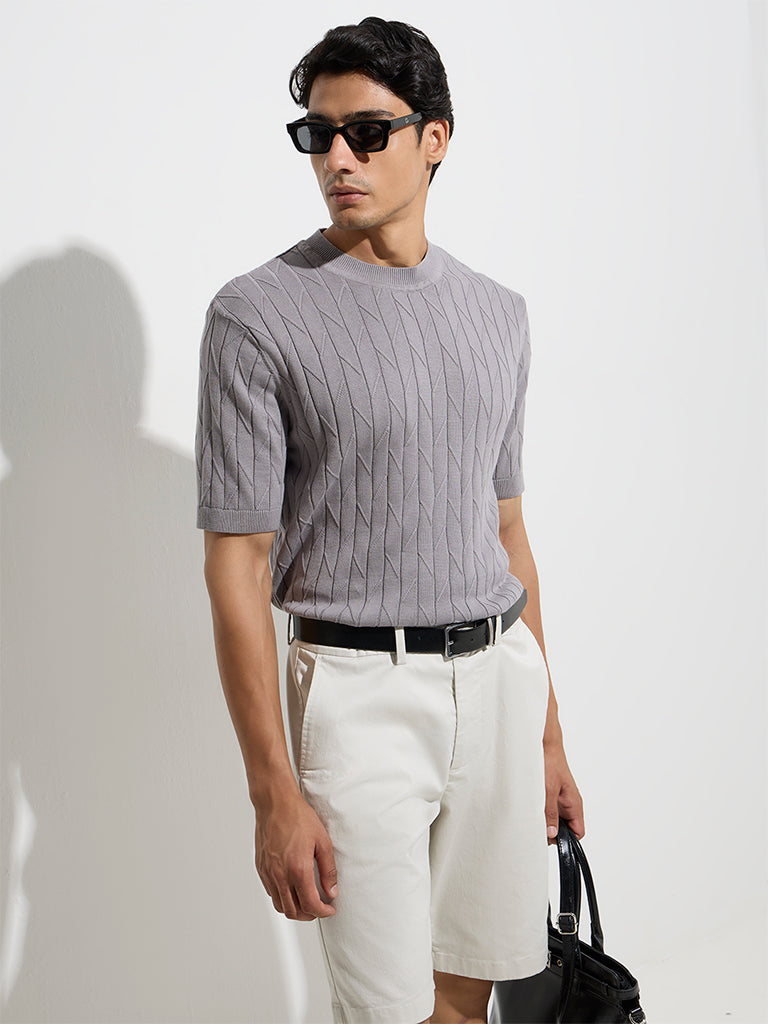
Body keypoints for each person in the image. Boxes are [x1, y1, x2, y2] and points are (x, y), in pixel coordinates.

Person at [195, 16, 584, 1024]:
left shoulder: (498, 313)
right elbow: (237, 564)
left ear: (435, 137)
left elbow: (507, 532)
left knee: (469, 993)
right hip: (356, 698)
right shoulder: (257, 315)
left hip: (499, 686)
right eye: (317, 135)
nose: (337, 158)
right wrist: (272, 792)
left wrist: (548, 736)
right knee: (386, 1011)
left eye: (367, 133)